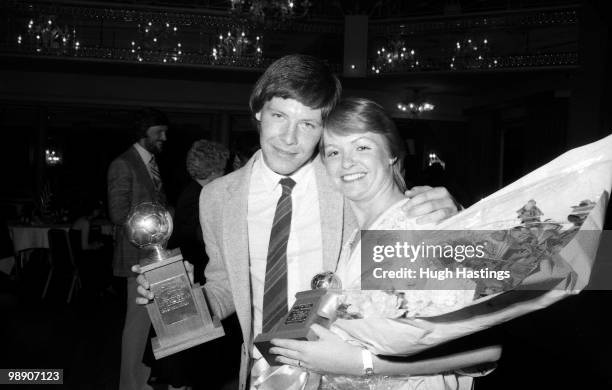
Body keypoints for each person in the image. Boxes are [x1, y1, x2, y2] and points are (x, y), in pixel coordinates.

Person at [134, 55, 459, 390]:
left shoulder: (346, 180)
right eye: (279, 116)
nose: (289, 139)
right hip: (264, 372)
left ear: (324, 129)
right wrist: (179, 298)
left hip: (342, 372)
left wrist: (455, 219)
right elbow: (226, 288)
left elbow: (420, 248)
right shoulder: (217, 197)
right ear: (259, 111)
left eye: (308, 124)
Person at [269, 98, 501, 389]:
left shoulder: (419, 224)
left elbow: (486, 348)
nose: (347, 162)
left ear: (391, 153)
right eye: (333, 152)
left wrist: (363, 364)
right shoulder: (356, 236)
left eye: (362, 147)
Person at [144, 140, 243, 390]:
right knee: (192, 358)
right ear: (218, 166)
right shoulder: (204, 195)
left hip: (196, 276)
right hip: (195, 278)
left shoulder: (191, 190)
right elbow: (201, 244)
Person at [108, 107, 169, 390]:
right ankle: (129, 385)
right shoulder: (123, 163)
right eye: (159, 132)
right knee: (136, 325)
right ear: (144, 132)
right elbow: (118, 213)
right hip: (136, 255)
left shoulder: (150, 162)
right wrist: (156, 222)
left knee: (146, 324)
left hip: (153, 254)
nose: (164, 137)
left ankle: (140, 379)